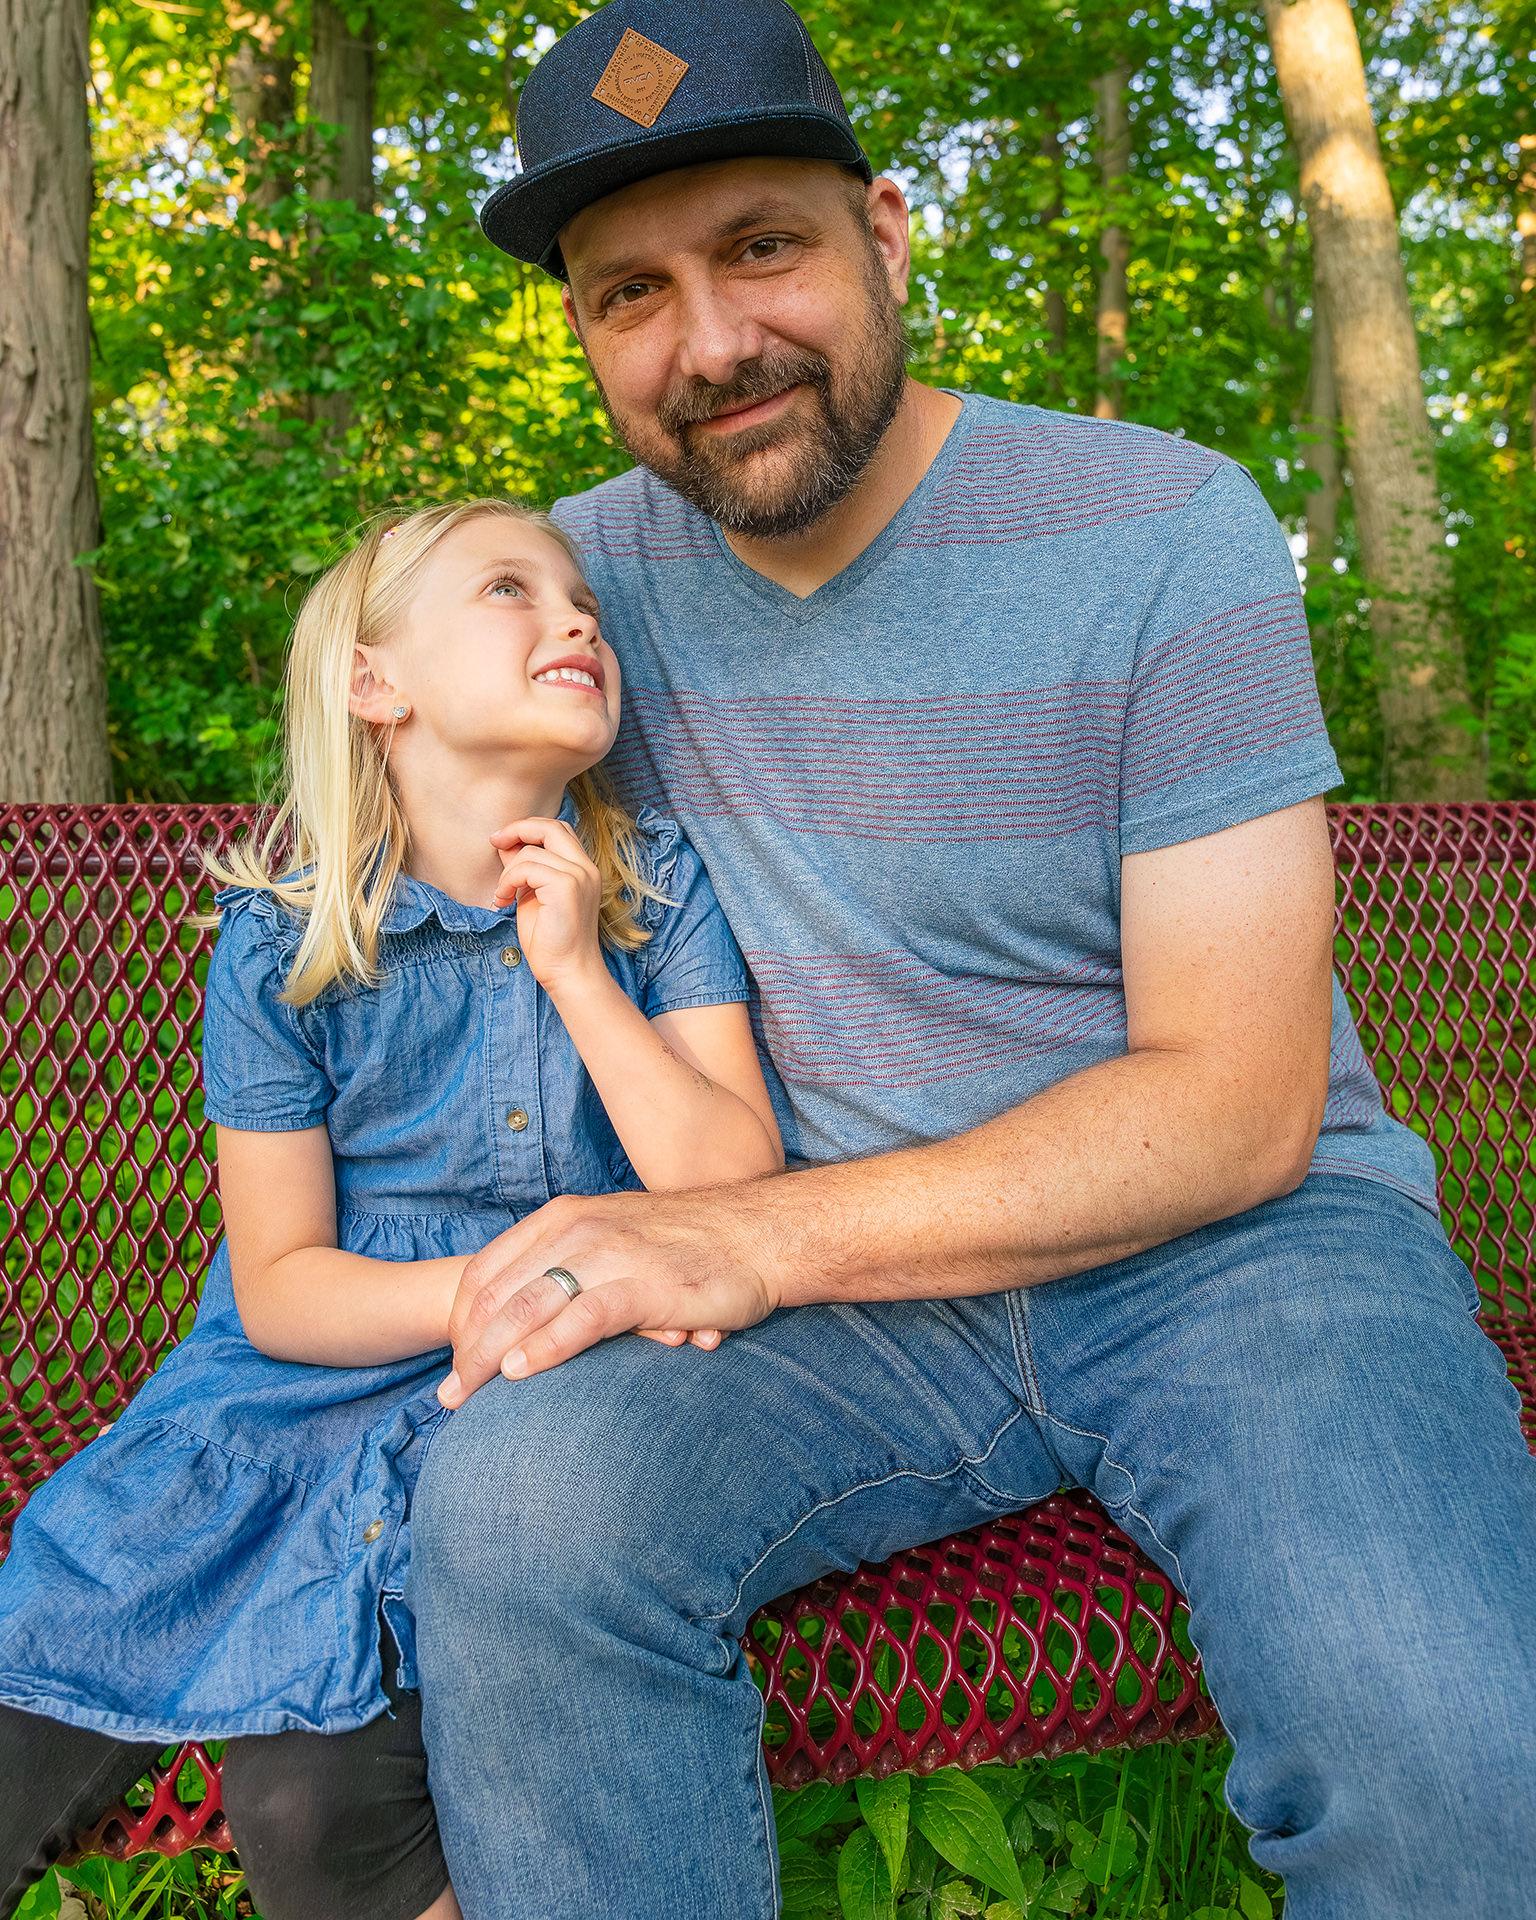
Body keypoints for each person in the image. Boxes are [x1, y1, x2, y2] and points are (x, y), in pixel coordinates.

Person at [396, 3, 1536, 1917]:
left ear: (888, 231)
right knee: (522, 1512)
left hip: (1243, 1262)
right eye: (628, 295)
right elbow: (391, 845)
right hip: (848, 1318)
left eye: (762, 247)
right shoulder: (565, 601)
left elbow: (1239, 1105)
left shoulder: (1156, 527)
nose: (711, 345)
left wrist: (735, 1239)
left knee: (1463, 1778)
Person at [0, 498, 782, 1919]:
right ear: (376, 684)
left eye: (582, 598)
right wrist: (486, 1281)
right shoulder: (283, 939)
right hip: (310, 1377)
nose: (576, 617)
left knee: (313, 1797)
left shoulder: (655, 890)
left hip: (546, 1392)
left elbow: (734, 1196)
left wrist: (579, 975)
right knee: (56, 1660)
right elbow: (286, 1282)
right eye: (509, 588)